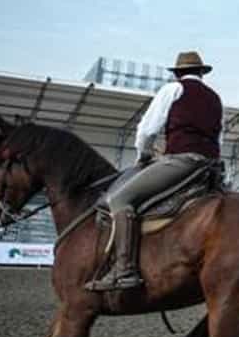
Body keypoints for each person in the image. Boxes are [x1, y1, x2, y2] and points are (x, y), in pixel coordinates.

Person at [86, 51, 223, 292]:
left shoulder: (172, 90)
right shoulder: (215, 98)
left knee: (120, 199)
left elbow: (148, 130)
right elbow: (219, 136)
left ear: (178, 73)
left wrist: (144, 155)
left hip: (182, 162)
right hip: (210, 167)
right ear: (202, 73)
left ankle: (124, 269)